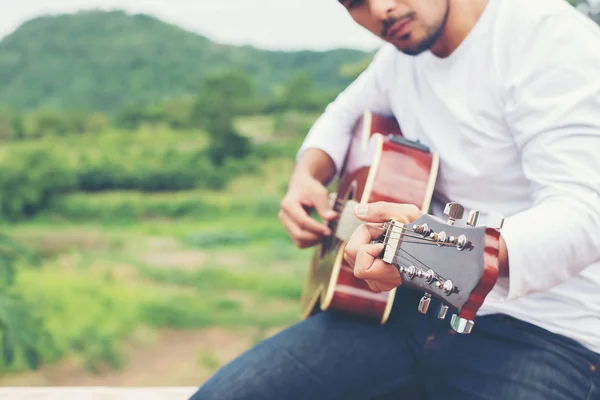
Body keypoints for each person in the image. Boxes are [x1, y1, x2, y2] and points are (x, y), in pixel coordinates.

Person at [190, 0, 600, 398]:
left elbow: (585, 214)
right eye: (355, 3)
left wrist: (427, 252)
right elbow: (341, 114)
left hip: (545, 330)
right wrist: (305, 177)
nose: (381, 9)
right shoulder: (400, 57)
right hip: (409, 309)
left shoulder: (548, 38)